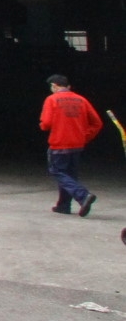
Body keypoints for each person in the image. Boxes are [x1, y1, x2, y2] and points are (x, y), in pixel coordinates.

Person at [40, 73, 103, 217]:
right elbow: (97, 123)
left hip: (59, 143)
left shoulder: (52, 100)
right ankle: (64, 205)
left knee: (58, 172)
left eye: (51, 87)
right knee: (70, 175)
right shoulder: (82, 100)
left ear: (55, 85)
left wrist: (42, 125)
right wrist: (85, 136)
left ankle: (83, 195)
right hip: (77, 144)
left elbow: (47, 123)